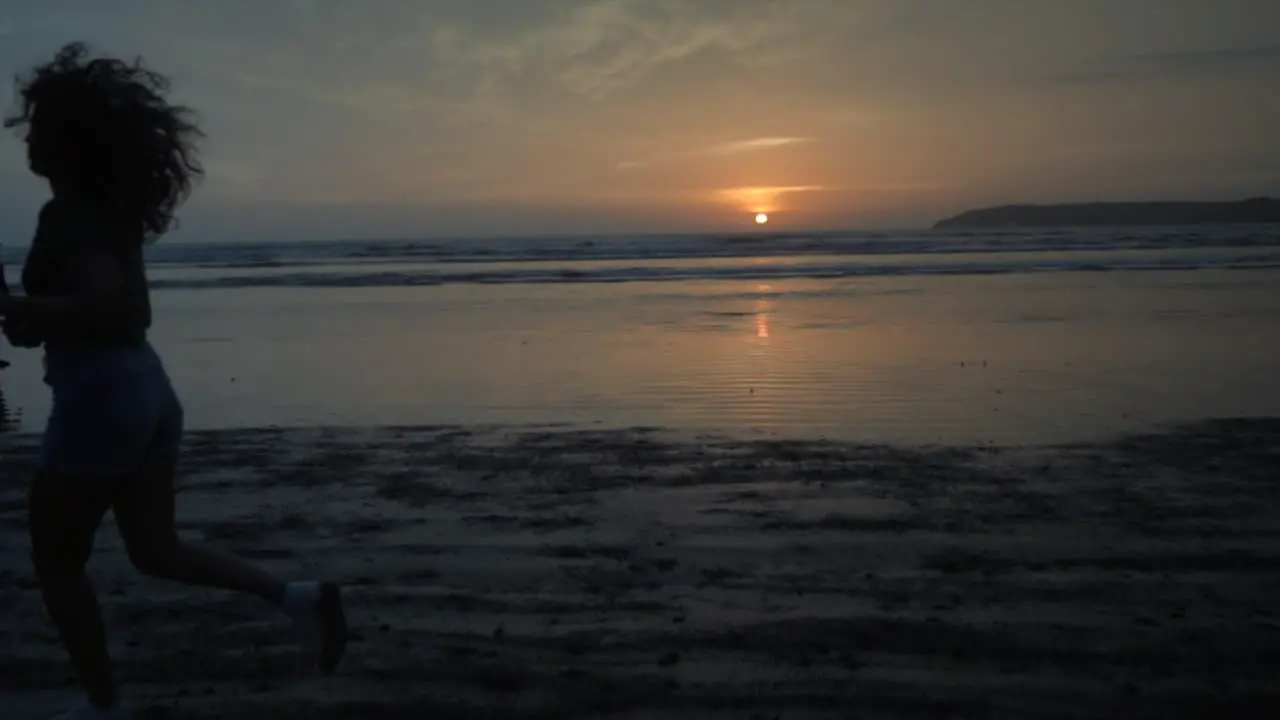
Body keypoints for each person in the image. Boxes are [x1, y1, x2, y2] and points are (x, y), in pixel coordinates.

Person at [0, 43, 347, 719]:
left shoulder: (70, 214)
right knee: (155, 549)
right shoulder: (101, 210)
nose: (26, 135)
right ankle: (299, 598)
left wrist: (27, 309)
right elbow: (91, 315)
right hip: (143, 391)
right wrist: (24, 319)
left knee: (57, 562)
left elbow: (121, 310)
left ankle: (102, 707)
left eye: (38, 124)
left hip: (103, 398)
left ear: (67, 138)